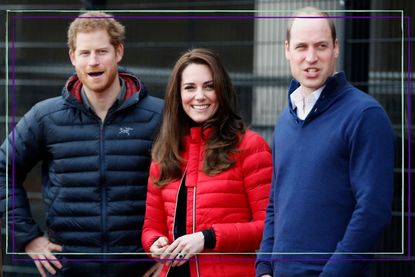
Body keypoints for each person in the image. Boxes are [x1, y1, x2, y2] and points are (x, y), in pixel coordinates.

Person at [0, 12, 163, 277]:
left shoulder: (159, 115)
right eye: (85, 53)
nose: (93, 62)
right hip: (69, 269)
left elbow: (193, 186)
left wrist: (171, 252)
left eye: (102, 51)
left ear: (118, 52)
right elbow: (2, 169)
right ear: (72, 57)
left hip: (141, 268)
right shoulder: (45, 116)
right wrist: (27, 237)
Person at [256, 7, 395, 277]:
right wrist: (264, 267)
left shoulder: (365, 115)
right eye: (301, 47)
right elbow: (276, 203)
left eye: (321, 46)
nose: (311, 57)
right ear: (287, 49)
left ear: (336, 48)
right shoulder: (285, 120)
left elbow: (372, 212)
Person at [141, 48, 272, 277]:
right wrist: (155, 242)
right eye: (190, 87)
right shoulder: (164, 154)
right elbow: (151, 226)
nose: (200, 96)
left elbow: (267, 227)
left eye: (209, 86)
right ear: (178, 95)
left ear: (221, 91)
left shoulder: (251, 147)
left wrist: (206, 238)